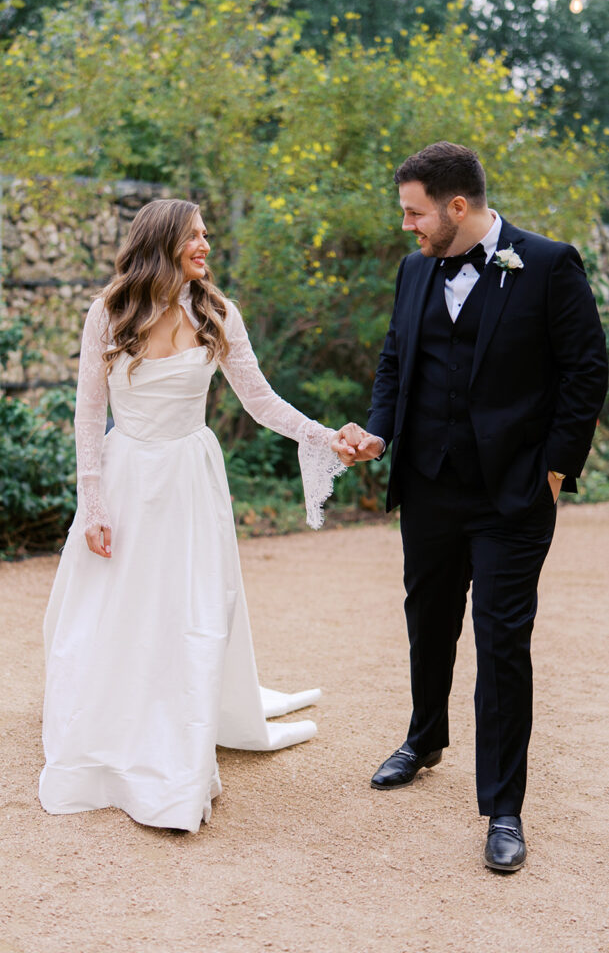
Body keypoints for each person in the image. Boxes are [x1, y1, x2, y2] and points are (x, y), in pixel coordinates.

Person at [333, 141, 607, 872]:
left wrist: (553, 470)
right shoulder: (413, 269)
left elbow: (586, 371)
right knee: (426, 616)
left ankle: (503, 809)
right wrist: (378, 430)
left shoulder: (547, 265)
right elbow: (396, 359)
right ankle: (424, 738)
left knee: (500, 641)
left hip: (512, 494)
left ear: (458, 206)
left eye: (413, 213)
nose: (405, 227)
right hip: (427, 485)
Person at [39, 198, 344, 832]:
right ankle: (117, 718)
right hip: (125, 476)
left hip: (189, 480)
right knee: (115, 606)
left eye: (207, 234)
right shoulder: (110, 313)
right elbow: (89, 414)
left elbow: (260, 402)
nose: (206, 245)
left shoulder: (217, 313)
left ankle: (183, 722)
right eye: (195, 236)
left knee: (191, 607)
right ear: (161, 242)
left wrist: (322, 436)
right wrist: (91, 502)